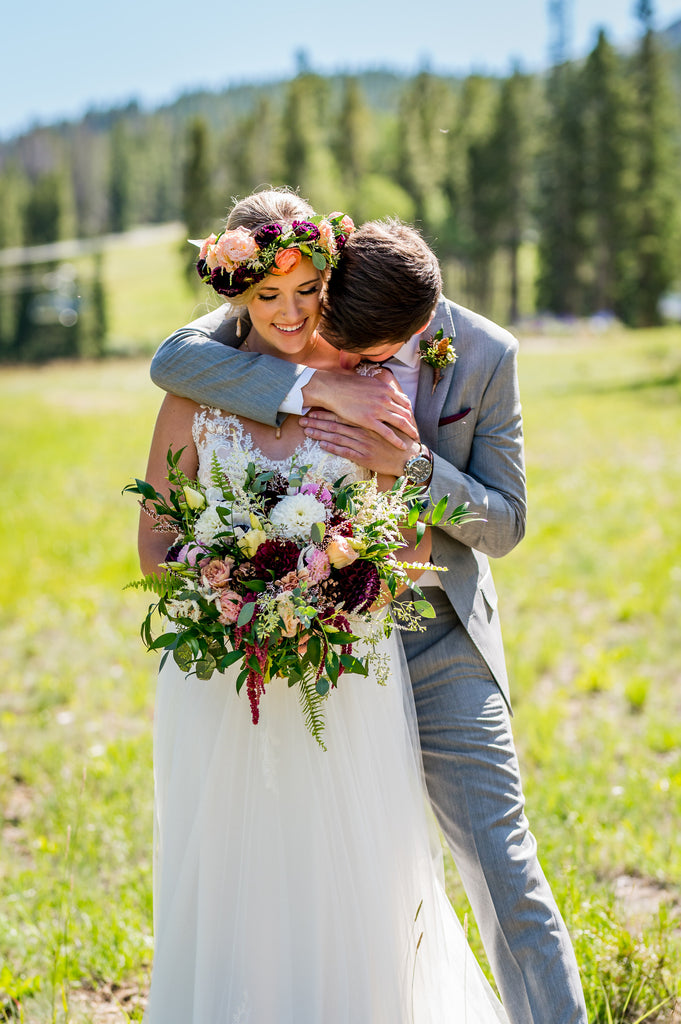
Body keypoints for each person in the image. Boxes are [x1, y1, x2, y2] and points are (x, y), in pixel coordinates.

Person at [150, 195, 589, 1024]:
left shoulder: (488, 354)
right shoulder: (313, 311)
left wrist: (415, 466)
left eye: (377, 352)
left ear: (425, 323)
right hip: (322, 648)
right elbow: (175, 360)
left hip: (436, 633)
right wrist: (313, 385)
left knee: (502, 864)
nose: (355, 358)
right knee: (331, 871)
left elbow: (507, 524)